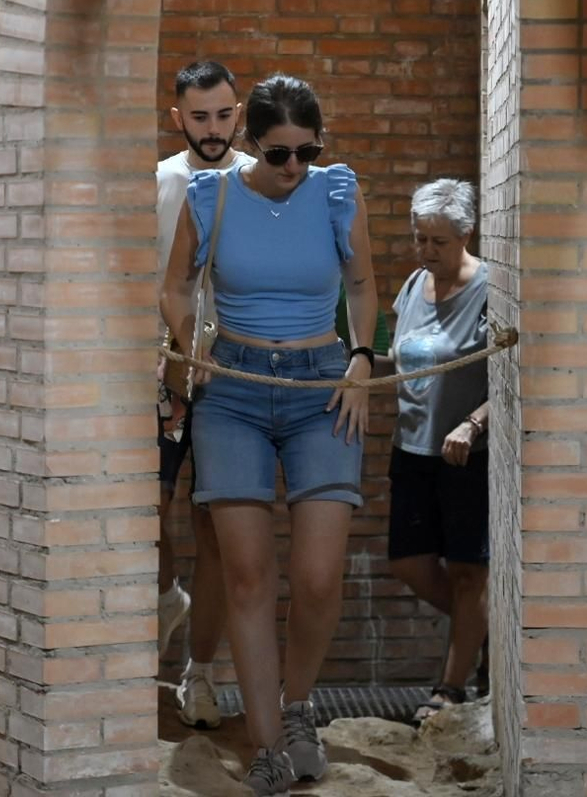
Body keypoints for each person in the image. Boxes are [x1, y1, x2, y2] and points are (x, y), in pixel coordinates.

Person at [160, 73, 378, 795]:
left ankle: (297, 706)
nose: (294, 167)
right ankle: (264, 748)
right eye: (279, 153)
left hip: (321, 386)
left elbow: (362, 285)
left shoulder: (337, 190)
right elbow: (175, 286)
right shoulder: (211, 195)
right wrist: (192, 345)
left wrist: (359, 357)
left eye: (306, 152)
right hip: (235, 390)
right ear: (251, 143)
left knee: (318, 576)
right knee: (248, 575)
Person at [154, 60, 252, 729]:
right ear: (177, 116)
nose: (211, 129)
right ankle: (164, 597)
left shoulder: (258, 178)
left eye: (222, 115)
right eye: (198, 116)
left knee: (215, 532)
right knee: (143, 513)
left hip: (239, 377)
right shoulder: (157, 182)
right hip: (162, 369)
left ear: (238, 112)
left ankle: (201, 672)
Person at [376, 178, 490, 723]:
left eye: (437, 242)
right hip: (413, 447)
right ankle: (484, 627)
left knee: (470, 572)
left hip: (467, 453)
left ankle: (452, 685)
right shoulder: (413, 284)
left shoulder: (490, 287)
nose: (424, 252)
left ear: (465, 235)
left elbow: (517, 378)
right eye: (420, 239)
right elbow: (394, 352)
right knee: (409, 562)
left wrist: (473, 422)